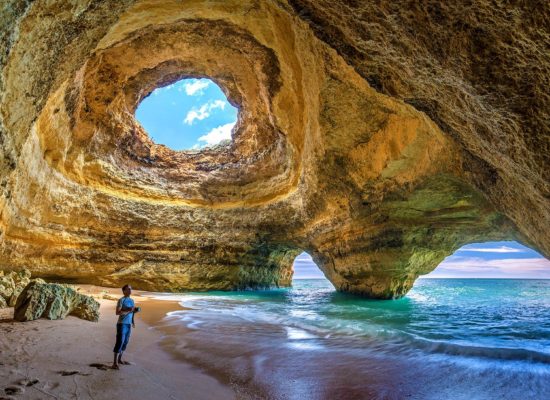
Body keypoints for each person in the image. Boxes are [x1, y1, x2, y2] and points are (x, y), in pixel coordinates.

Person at [112, 284, 138, 370]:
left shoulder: (132, 300)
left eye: (131, 289)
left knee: (125, 342)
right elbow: (117, 312)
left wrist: (133, 319)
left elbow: (132, 312)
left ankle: (119, 359)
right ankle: (114, 363)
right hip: (122, 324)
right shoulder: (121, 300)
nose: (130, 291)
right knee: (120, 342)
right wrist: (128, 310)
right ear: (124, 291)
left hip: (128, 324)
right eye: (128, 289)